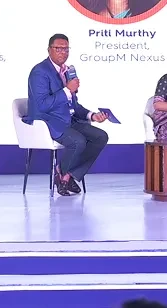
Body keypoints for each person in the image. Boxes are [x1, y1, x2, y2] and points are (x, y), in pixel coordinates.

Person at [27, 34, 109, 196]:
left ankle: (66, 174)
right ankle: (63, 177)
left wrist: (92, 115)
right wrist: (67, 90)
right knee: (78, 141)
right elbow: (42, 105)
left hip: (68, 120)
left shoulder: (67, 71)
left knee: (100, 137)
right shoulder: (39, 72)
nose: (63, 52)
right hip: (48, 121)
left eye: (66, 49)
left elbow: (73, 105)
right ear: (49, 50)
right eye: (58, 49)